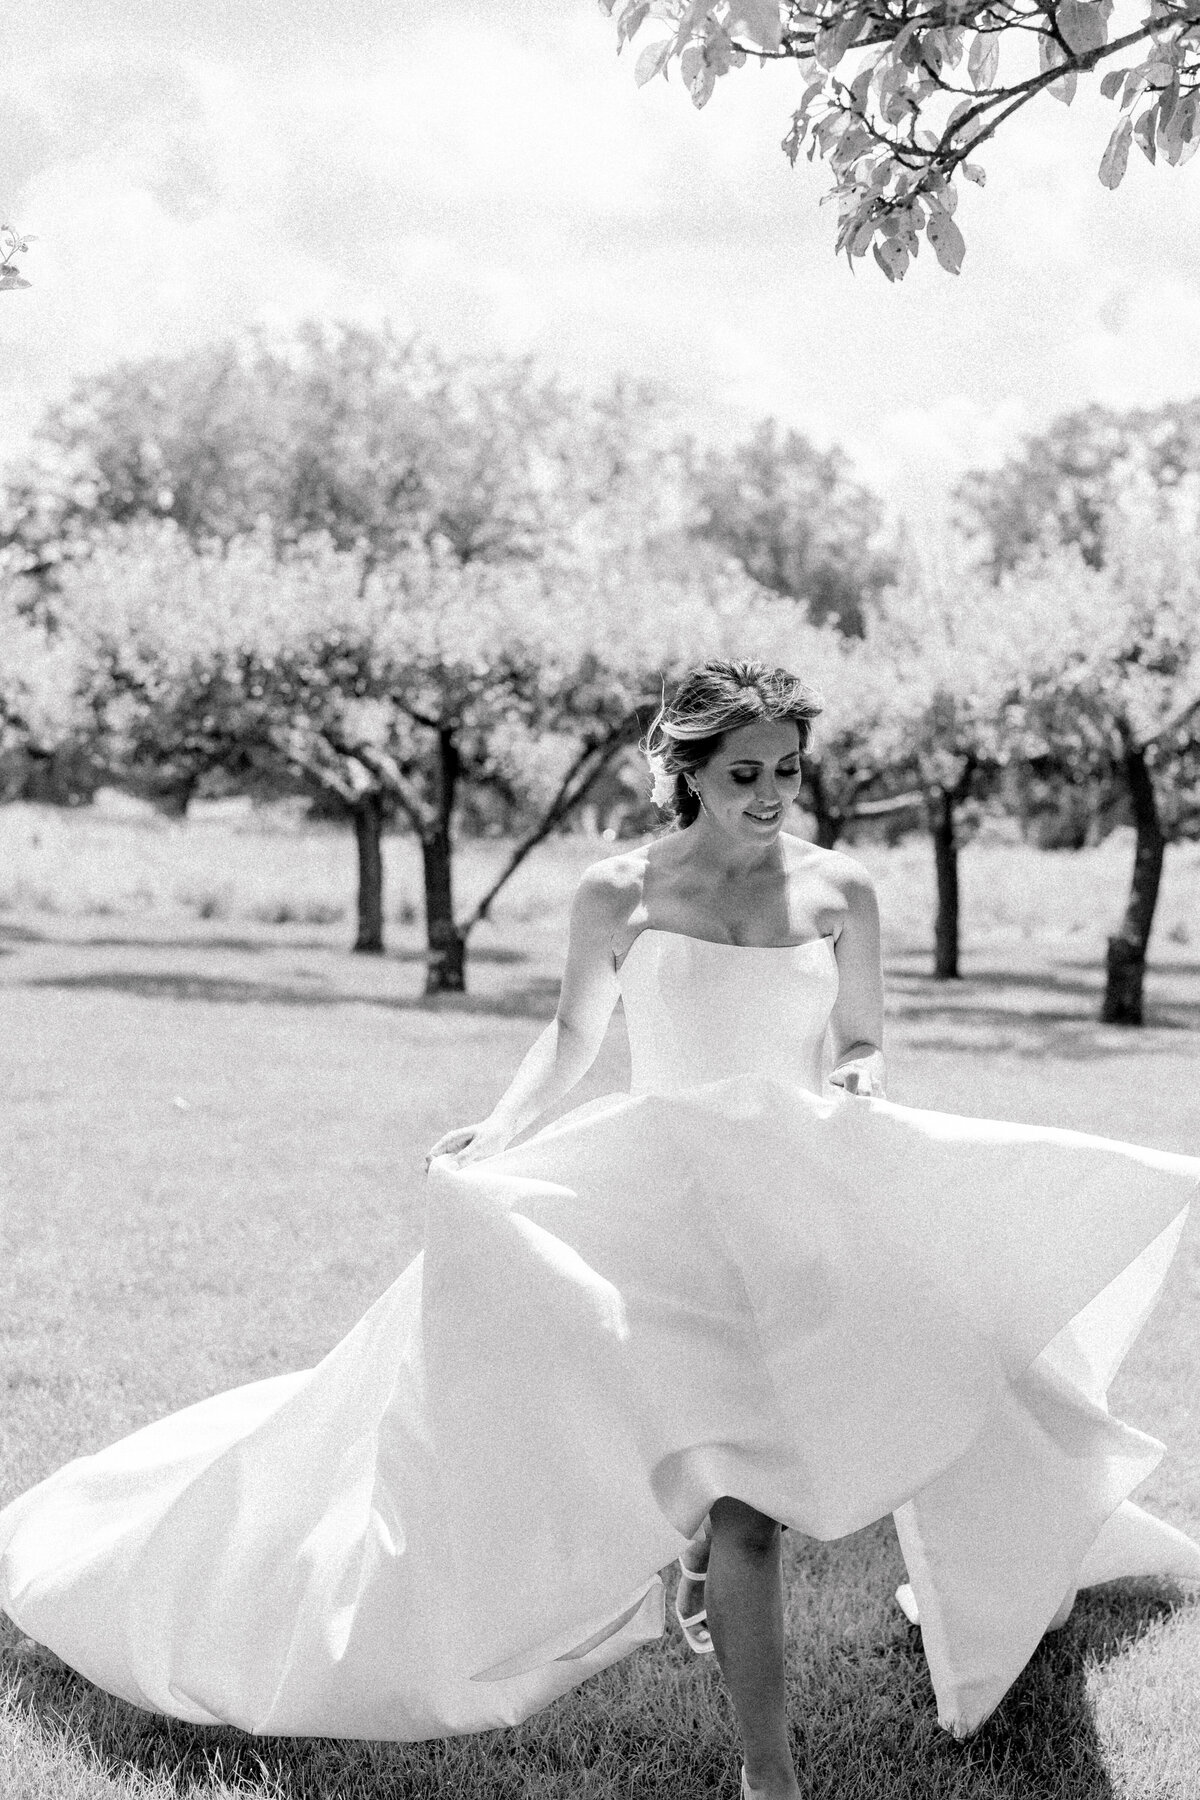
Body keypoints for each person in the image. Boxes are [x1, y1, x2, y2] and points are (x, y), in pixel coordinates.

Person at [1, 659, 1198, 1800]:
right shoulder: (617, 890)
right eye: (746, 774)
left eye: (790, 770)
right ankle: (765, 1764)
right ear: (687, 770)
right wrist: (499, 1130)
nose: (774, 795)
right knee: (704, 1477)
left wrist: (865, 1078)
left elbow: (863, 1036)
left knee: (848, 1443)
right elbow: (574, 1038)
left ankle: (801, 1702)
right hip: (660, 1198)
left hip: (800, 1200)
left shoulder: (844, 890)